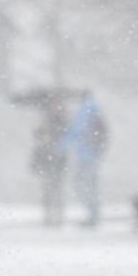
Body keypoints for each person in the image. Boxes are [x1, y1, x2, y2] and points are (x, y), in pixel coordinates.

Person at [62, 90, 109, 227]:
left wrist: (62, 146)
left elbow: (74, 132)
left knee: (84, 185)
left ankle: (92, 215)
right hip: (91, 154)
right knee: (90, 185)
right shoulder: (93, 110)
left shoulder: (84, 112)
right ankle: (93, 214)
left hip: (86, 154)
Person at [31, 95, 69, 226]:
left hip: (57, 158)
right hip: (48, 158)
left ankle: (57, 216)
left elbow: (65, 137)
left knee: (56, 187)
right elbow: (38, 139)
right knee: (48, 188)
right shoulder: (47, 122)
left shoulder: (60, 121)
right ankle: (49, 216)